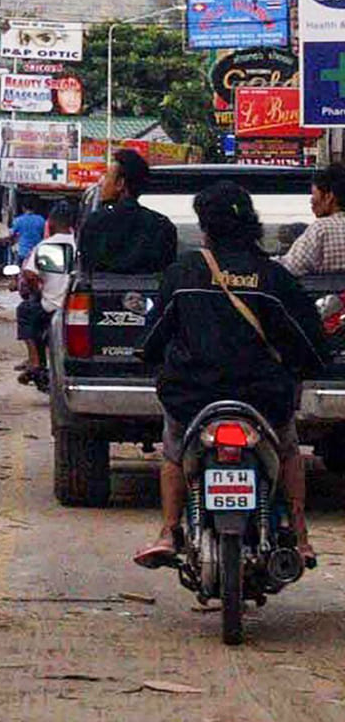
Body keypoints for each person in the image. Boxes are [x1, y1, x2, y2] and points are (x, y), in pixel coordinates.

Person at [133, 182, 327, 569]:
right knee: (288, 451)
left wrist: (151, 359)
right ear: (252, 224)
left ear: (205, 226)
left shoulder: (182, 273)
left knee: (173, 453)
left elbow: (152, 339)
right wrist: (308, 365)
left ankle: (168, 531)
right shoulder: (273, 278)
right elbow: (307, 341)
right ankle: (301, 536)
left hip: (193, 397)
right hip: (263, 398)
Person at [77, 148, 177, 274]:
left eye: (107, 176)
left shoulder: (96, 223)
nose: (101, 183)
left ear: (120, 184)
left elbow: (86, 270)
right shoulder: (162, 226)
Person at [17, 203, 77, 386]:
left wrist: (38, 288)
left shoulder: (47, 246)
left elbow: (29, 274)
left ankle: (35, 361)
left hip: (51, 305)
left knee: (24, 311)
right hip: (75, 307)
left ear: (50, 224)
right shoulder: (79, 245)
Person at [278, 162, 345, 277]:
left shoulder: (321, 229)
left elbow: (288, 268)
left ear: (329, 197)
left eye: (314, 194)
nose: (311, 201)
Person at [9, 200, 46, 265]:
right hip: (36, 252)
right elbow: (44, 235)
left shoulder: (18, 220)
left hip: (23, 253)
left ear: (23, 208)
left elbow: (12, 235)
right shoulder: (41, 220)